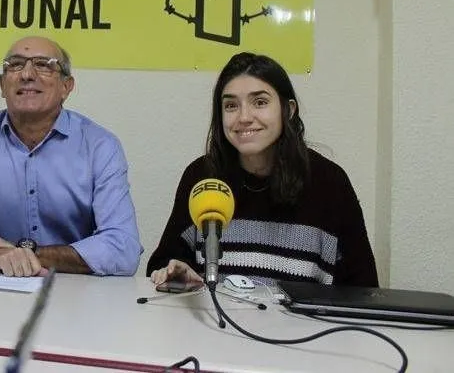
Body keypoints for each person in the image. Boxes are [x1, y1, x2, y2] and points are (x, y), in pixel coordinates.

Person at [0, 36, 142, 277]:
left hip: (72, 295)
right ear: (2, 85)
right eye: (15, 64)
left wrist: (25, 253)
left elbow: (123, 247)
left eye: (43, 64)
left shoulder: (100, 147)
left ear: (67, 86)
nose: (27, 74)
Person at [147, 52, 377, 288]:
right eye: (231, 105)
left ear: (288, 110)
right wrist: (176, 273)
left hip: (306, 325)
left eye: (260, 102)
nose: (244, 117)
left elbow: (363, 289)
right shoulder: (202, 176)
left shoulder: (329, 184)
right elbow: (163, 265)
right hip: (215, 324)